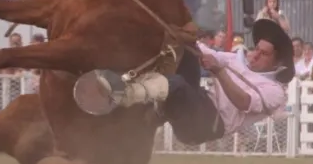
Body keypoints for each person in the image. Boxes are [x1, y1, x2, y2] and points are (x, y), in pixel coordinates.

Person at [75, 20, 294, 144]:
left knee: (177, 84)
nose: (255, 55)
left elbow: (244, 102)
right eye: (256, 49)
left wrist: (220, 72)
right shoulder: (236, 60)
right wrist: (187, 37)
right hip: (198, 102)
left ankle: (120, 94)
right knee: (185, 50)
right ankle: (131, 75)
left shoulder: (275, 91)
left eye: (264, 54)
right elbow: (204, 52)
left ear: (279, 63)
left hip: (208, 124)